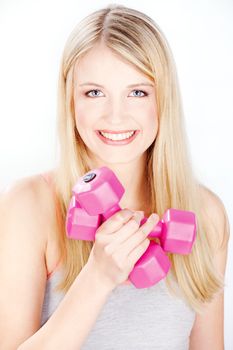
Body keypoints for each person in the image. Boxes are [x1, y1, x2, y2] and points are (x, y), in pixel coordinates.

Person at [0, 4, 230, 350]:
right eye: (94, 93)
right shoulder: (28, 206)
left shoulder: (206, 213)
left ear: (162, 100)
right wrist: (97, 277)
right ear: (71, 101)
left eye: (137, 92)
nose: (116, 116)